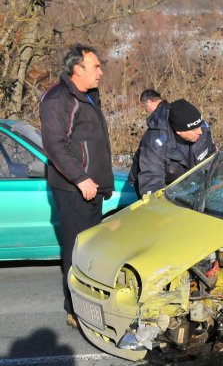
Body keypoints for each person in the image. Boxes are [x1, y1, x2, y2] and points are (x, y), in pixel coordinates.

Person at [39, 44, 113, 330]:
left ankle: (91, 305)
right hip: (74, 189)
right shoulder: (58, 99)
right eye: (95, 67)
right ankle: (75, 311)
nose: (101, 72)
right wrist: (81, 178)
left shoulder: (87, 96)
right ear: (77, 69)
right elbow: (55, 145)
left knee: (91, 252)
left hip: (92, 189)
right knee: (76, 251)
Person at [131, 97, 216, 196]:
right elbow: (151, 185)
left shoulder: (202, 130)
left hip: (193, 187)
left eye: (199, 126)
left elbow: (212, 158)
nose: (200, 132)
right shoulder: (154, 145)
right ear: (179, 131)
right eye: (193, 130)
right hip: (165, 190)